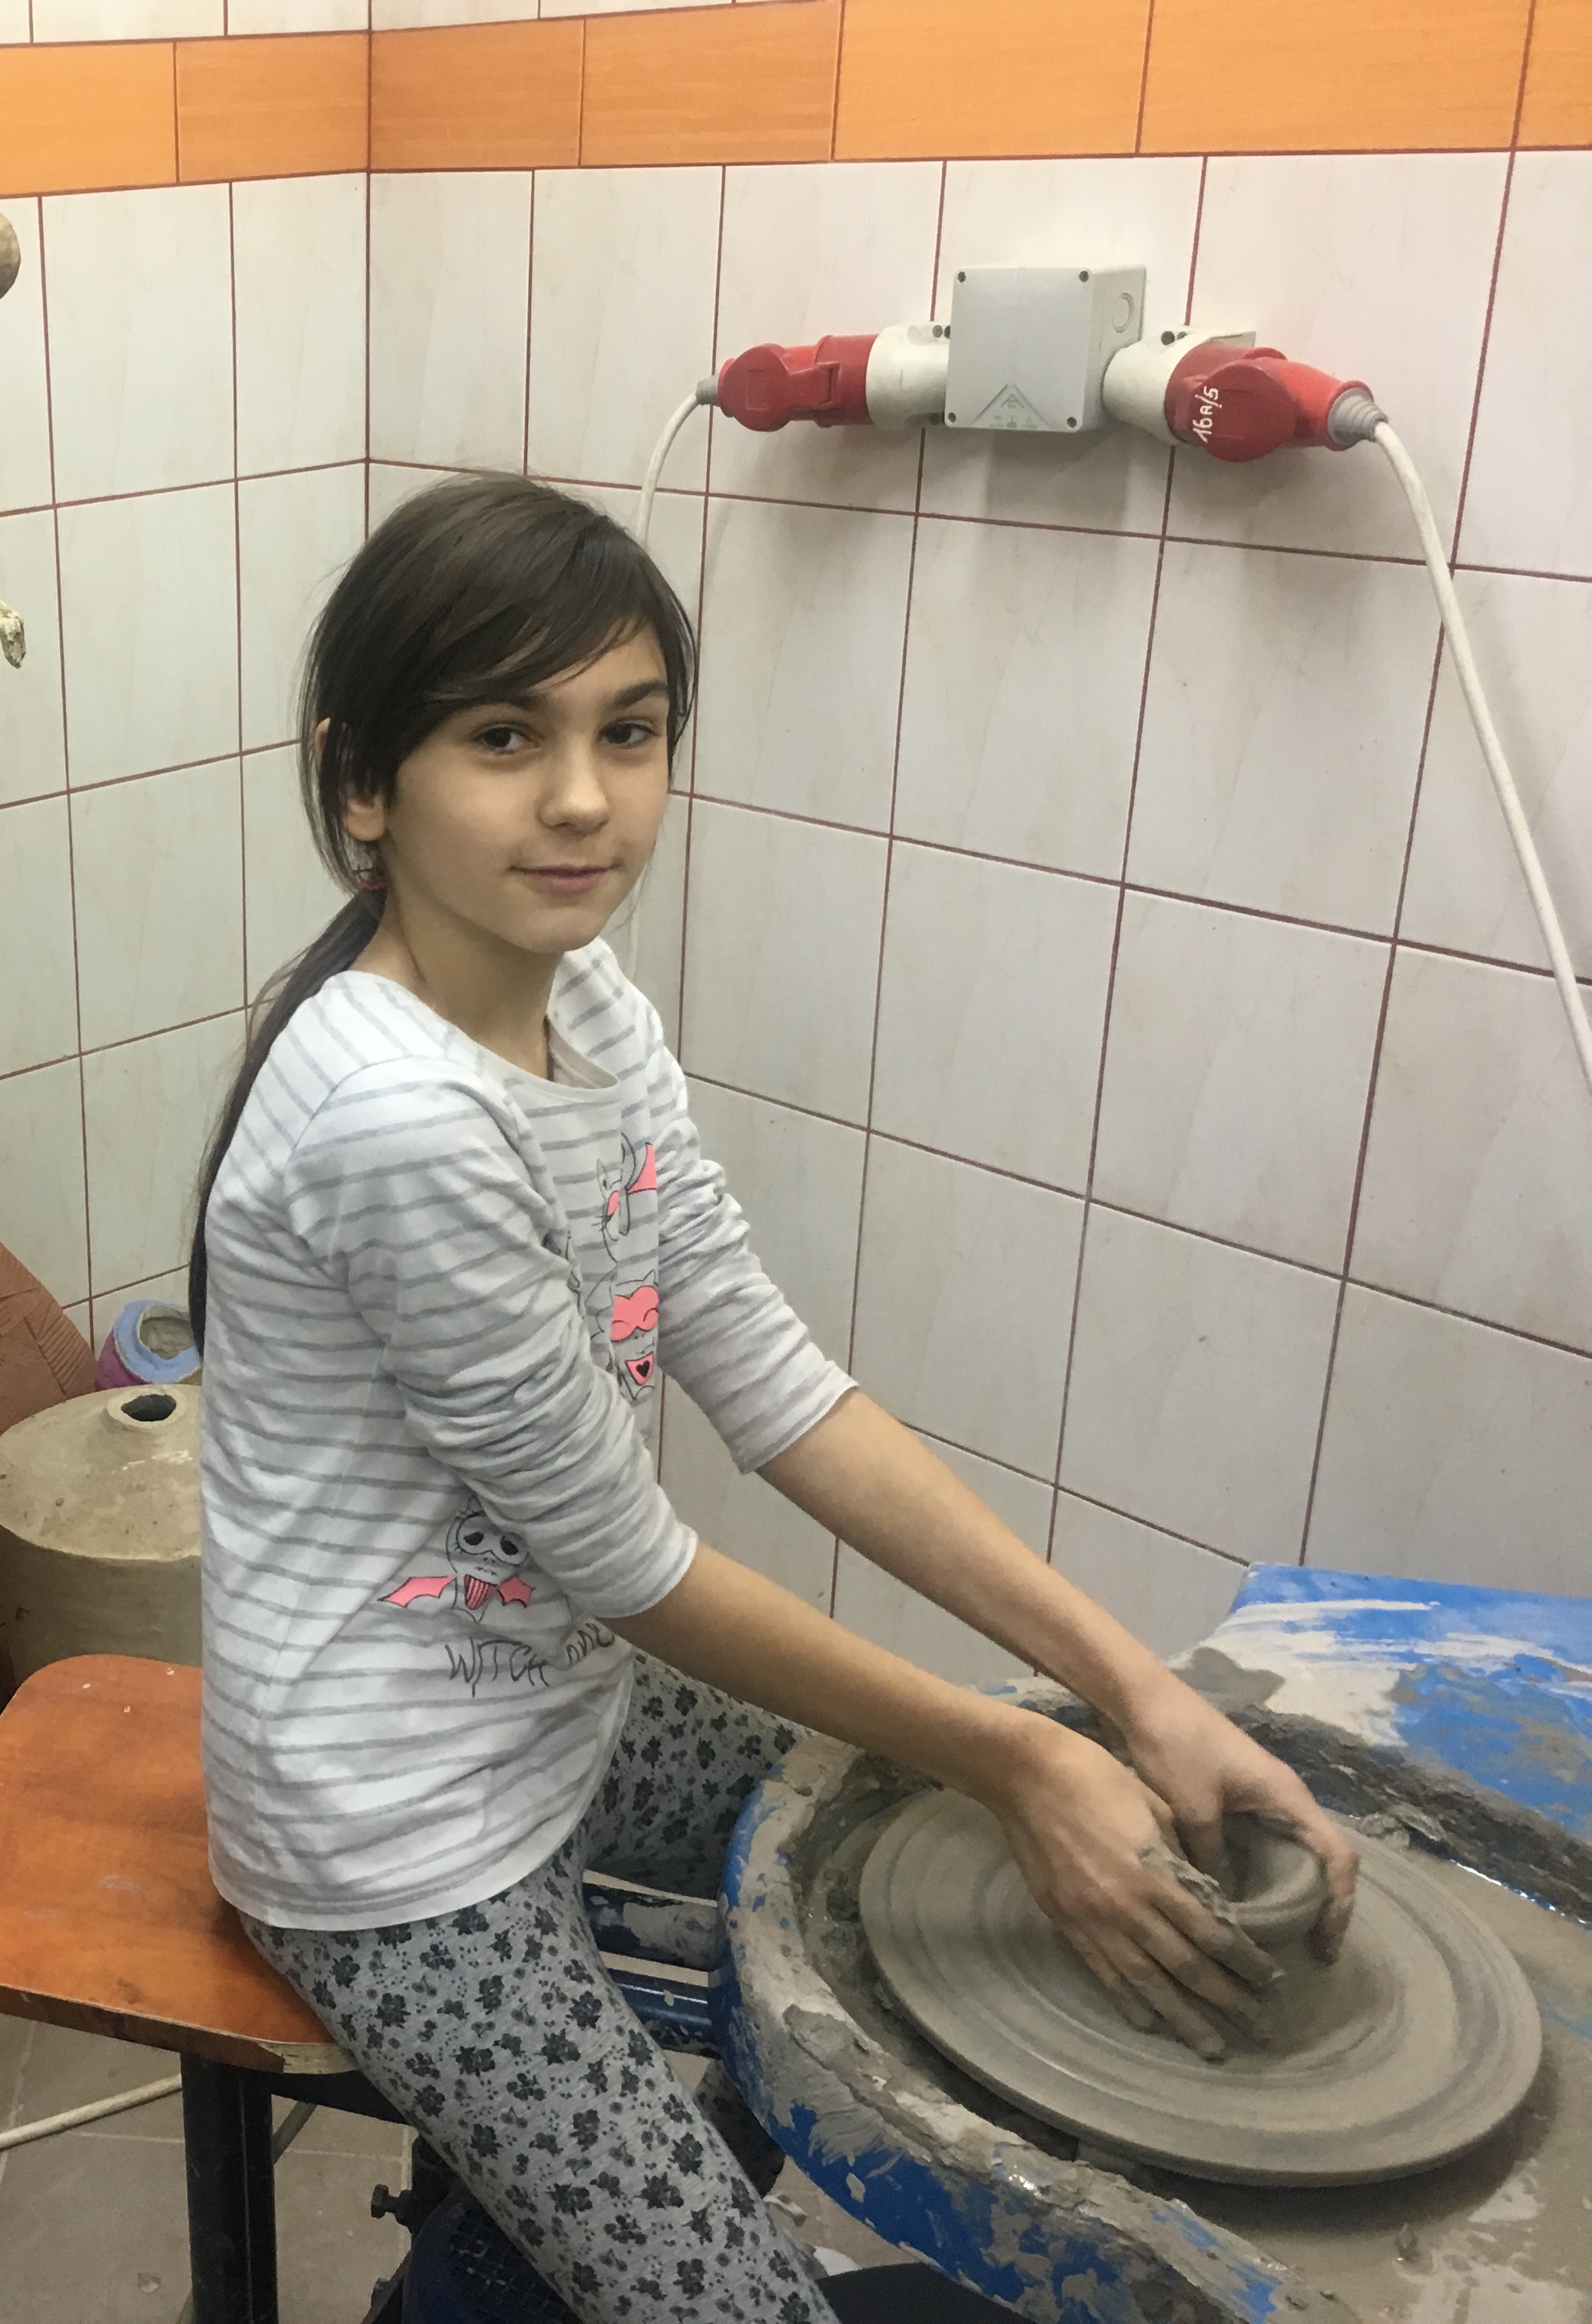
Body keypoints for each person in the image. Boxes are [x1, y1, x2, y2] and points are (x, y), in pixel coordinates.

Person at [188, 473, 1358, 2322]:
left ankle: (503, 2263)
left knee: (936, 1849)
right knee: (748, 2292)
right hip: (391, 1833)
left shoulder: (586, 1004)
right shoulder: (396, 1124)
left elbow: (772, 1373)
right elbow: (631, 1567)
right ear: (361, 784)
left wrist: (1129, 1698)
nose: (586, 798)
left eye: (629, 731)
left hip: (555, 1713)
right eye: (505, 738)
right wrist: (1019, 1752)